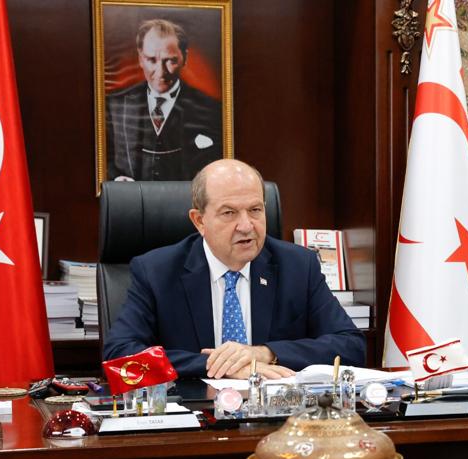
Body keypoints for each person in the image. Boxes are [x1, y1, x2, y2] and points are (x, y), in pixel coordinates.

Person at [103, 159, 365, 379]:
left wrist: (265, 353)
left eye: (255, 210)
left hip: (277, 415)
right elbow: (120, 355)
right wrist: (221, 366)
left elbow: (351, 346)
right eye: (229, 213)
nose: (246, 226)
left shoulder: (298, 266)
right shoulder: (156, 271)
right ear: (199, 221)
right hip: (195, 415)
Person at [105, 19, 222, 182]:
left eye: (170, 61)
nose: (160, 72)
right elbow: (103, 158)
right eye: (152, 60)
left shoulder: (211, 109)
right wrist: (117, 178)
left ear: (185, 58)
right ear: (140, 59)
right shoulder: (114, 105)